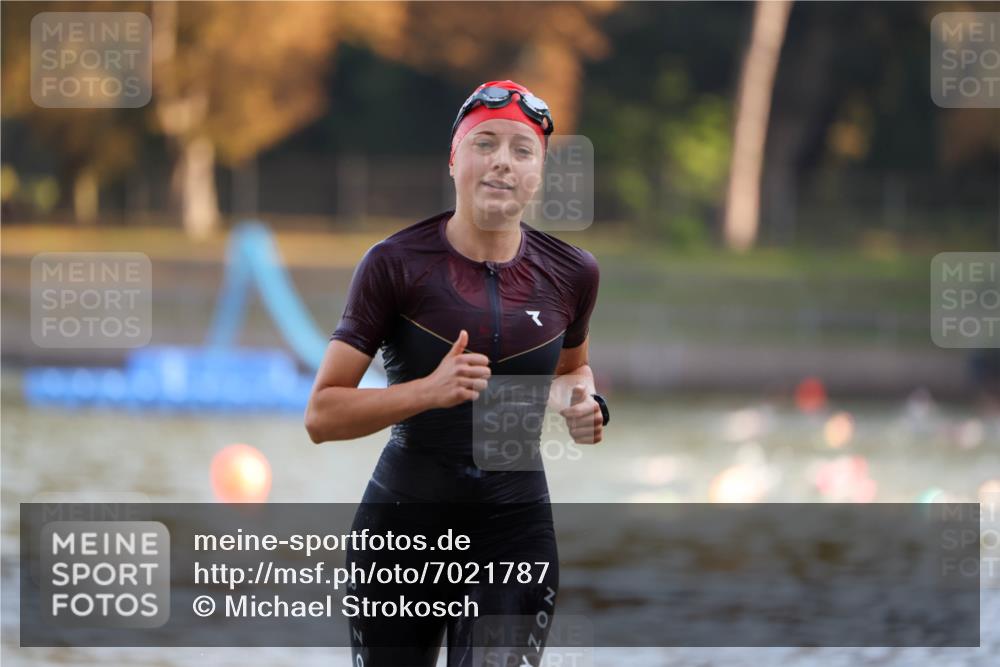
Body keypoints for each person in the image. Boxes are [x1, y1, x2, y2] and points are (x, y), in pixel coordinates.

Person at [305, 79, 608, 667]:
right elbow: (322, 415)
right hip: (402, 532)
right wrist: (428, 391)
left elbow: (573, 371)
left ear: (539, 173)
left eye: (522, 150)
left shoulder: (573, 273)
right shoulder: (394, 264)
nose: (502, 161)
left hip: (514, 532)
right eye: (484, 144)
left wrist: (582, 405)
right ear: (453, 160)